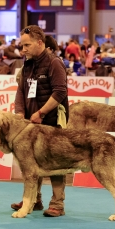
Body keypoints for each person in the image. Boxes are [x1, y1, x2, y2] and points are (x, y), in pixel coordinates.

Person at [12, 25, 69, 218]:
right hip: (30, 122)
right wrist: (20, 112)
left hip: (52, 121)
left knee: (55, 163)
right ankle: (33, 199)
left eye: (27, 45)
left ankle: (57, 204)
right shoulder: (27, 63)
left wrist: (41, 113)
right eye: (22, 45)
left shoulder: (54, 63)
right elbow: (20, 90)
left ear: (40, 42)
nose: (23, 49)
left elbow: (60, 92)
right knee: (30, 162)